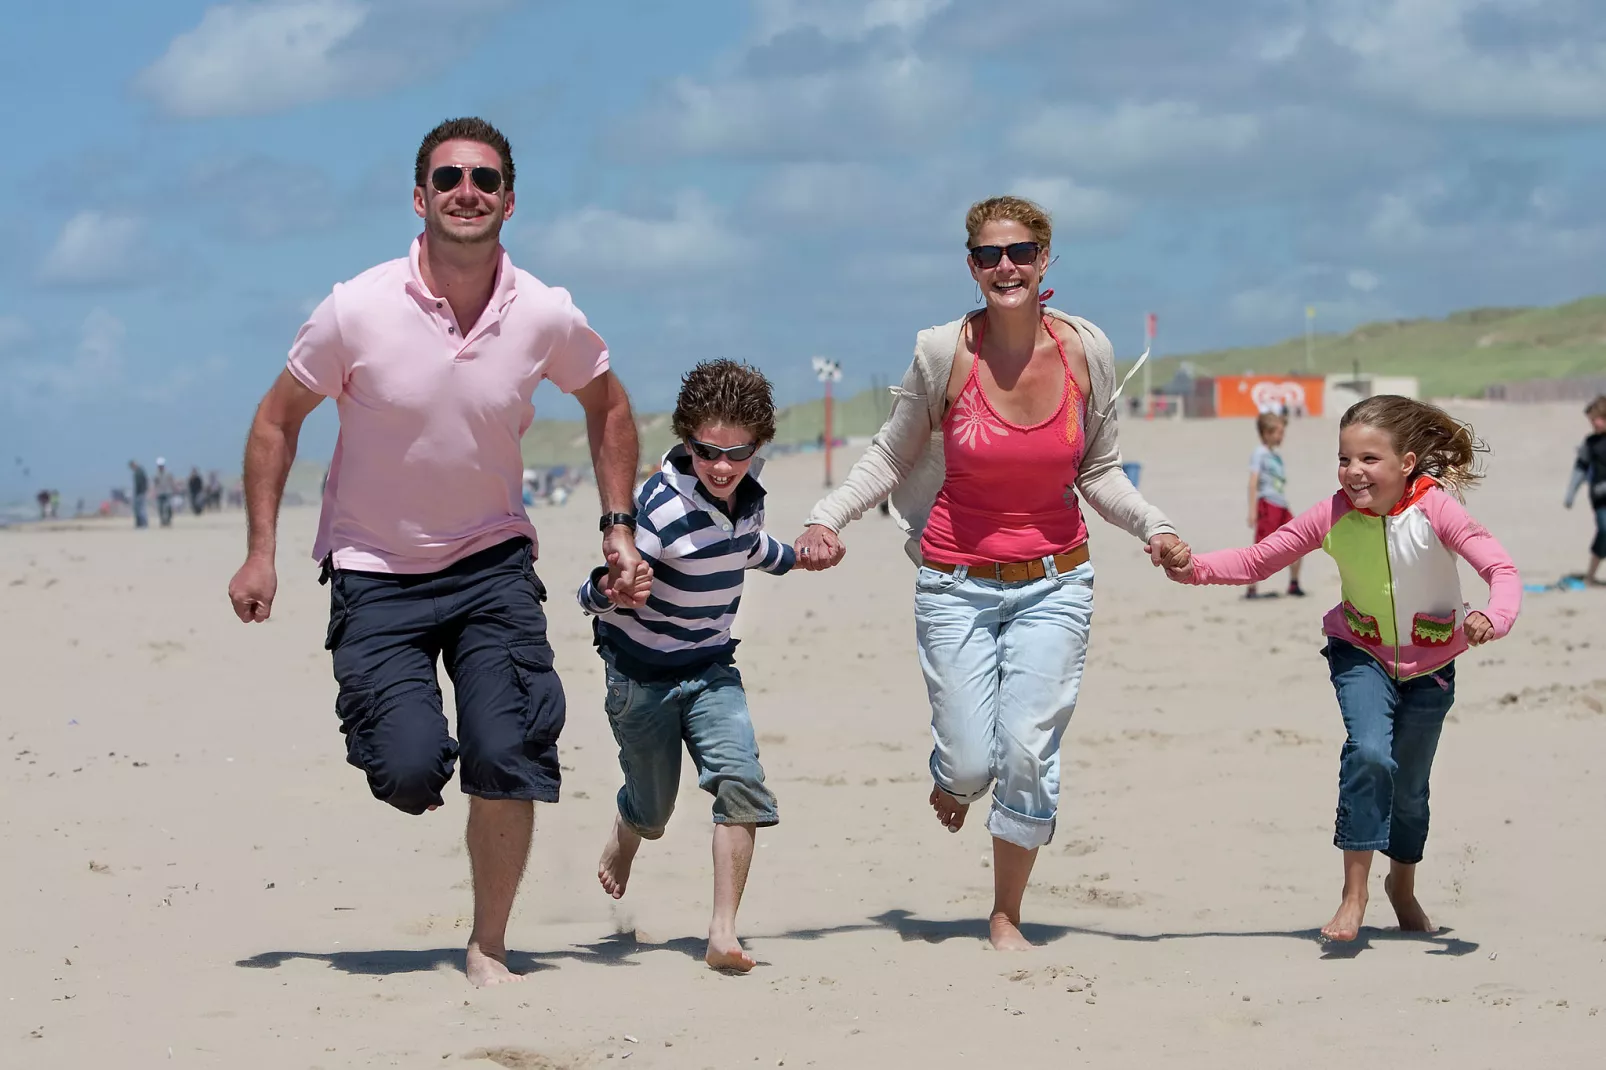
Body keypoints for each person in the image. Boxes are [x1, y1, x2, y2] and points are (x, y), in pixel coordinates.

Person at [225, 116, 647, 988]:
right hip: (375, 573)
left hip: (491, 562)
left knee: (512, 749)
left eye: (485, 180)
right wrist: (260, 552)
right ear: (420, 197)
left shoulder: (545, 313)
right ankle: (408, 752)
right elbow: (276, 420)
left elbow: (608, 406)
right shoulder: (356, 308)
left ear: (510, 201)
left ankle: (488, 946)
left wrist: (618, 524)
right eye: (449, 177)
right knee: (412, 769)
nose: (467, 191)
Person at [795, 195, 1191, 951]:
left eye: (1020, 253)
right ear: (971, 266)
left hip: (1056, 580)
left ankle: (1006, 912)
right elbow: (891, 452)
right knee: (975, 760)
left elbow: (1100, 471)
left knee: (1028, 749)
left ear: (1047, 261)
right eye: (988, 255)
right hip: (955, 582)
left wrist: (1155, 525)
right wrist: (827, 515)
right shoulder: (943, 352)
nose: (1005, 267)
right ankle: (955, 777)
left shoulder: (1086, 351)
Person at [1164, 395, 1521, 941]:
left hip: (1433, 666)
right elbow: (1262, 558)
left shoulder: (1437, 510)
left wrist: (1493, 618)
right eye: (1344, 458)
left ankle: (1401, 886)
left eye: (1369, 459)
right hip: (1361, 652)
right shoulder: (1332, 514)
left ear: (1406, 464)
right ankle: (1352, 898)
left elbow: (1499, 567)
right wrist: (1195, 569)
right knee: (1369, 752)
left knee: (1411, 790)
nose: (1353, 472)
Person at [581, 359, 796, 973]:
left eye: (738, 453)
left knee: (741, 780)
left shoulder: (748, 498)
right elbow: (591, 591)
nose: (723, 467)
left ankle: (723, 931)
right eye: (707, 452)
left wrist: (800, 556)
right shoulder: (656, 507)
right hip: (640, 677)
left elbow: (751, 549)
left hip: (710, 669)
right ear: (685, 440)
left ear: (758, 446)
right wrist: (612, 587)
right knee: (654, 811)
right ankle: (628, 830)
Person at [1245, 411, 1304, 599]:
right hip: (1267, 504)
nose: (1282, 436)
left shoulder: (1276, 456)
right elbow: (1253, 482)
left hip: (1282, 505)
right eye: (1279, 432)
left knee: (1299, 540)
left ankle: (1294, 583)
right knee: (1263, 548)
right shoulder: (1259, 454)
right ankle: (1251, 587)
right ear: (1266, 433)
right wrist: (1252, 510)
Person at [1564, 395, 1606, 585]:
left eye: (1595, 420)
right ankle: (1590, 575)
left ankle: (1590, 576)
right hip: (1600, 499)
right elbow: (1580, 467)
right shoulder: (1590, 443)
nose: (1593, 425)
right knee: (1604, 530)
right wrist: (1571, 493)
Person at [153, 459, 176, 527]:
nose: (160, 467)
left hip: (168, 493)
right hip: (160, 493)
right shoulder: (156, 474)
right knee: (160, 508)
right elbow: (155, 484)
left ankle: (168, 520)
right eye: (159, 466)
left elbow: (172, 482)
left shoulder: (168, 473)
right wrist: (153, 492)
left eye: (161, 466)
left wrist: (174, 489)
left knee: (167, 507)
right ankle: (163, 521)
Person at [129, 461, 150, 528]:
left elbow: (143, 483)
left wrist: (143, 491)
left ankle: (143, 523)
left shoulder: (139, 472)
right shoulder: (138, 472)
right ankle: (140, 523)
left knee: (141, 509)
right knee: (138, 509)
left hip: (140, 493)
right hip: (139, 493)